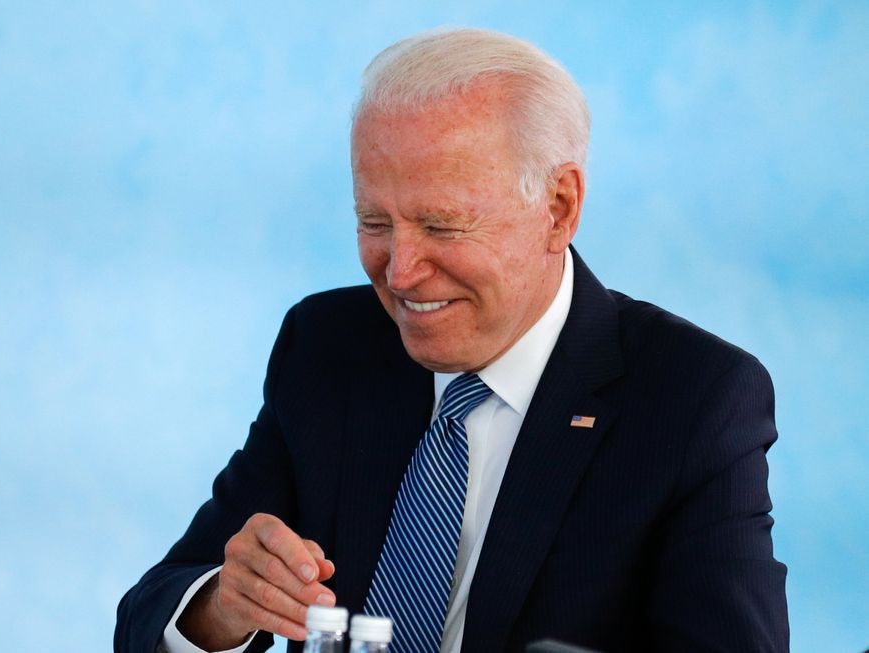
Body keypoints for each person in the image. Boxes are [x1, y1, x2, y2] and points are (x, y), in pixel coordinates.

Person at [115, 28, 789, 653]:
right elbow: (155, 606)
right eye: (374, 221)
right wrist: (223, 607)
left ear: (558, 208)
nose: (400, 271)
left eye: (441, 227)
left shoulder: (694, 398)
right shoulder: (329, 345)